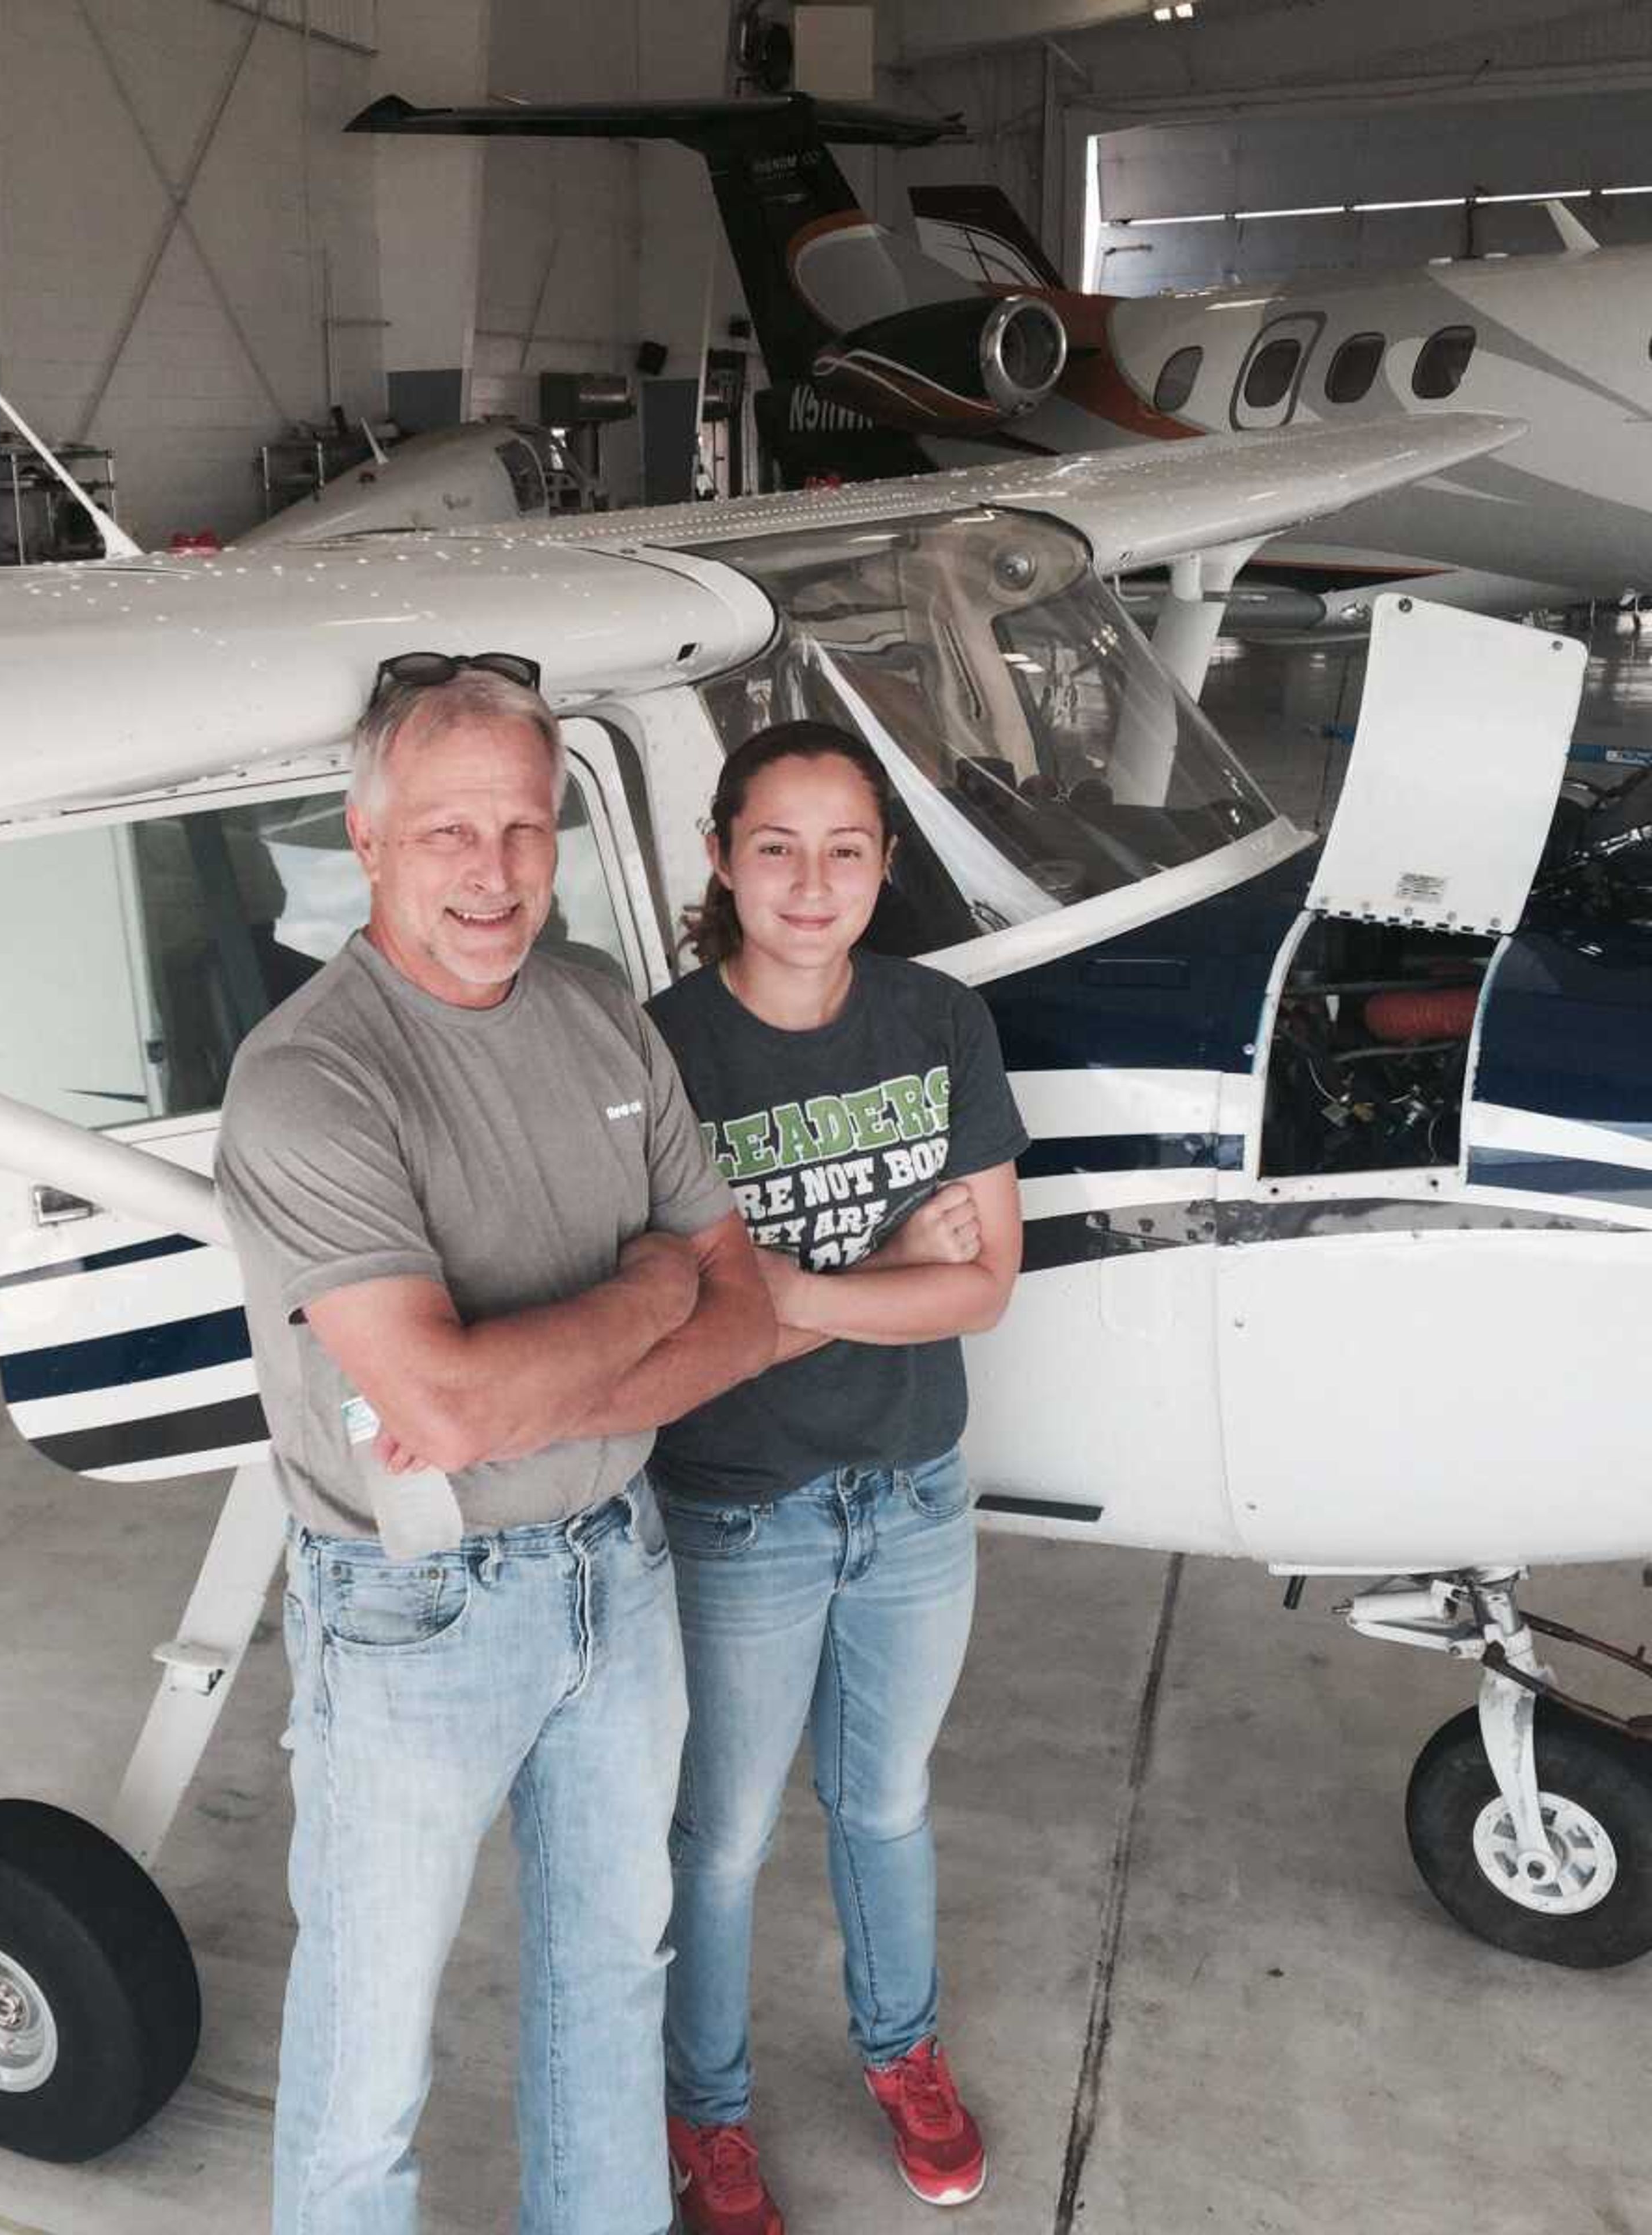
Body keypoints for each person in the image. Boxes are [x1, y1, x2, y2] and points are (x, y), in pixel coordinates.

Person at [214, 652, 775, 2235]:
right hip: (419, 1611)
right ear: (369, 839)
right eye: (449, 831)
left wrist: (567, 1379)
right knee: (367, 2054)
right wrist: (649, 1292)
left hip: (620, 1568)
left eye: (525, 829)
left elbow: (748, 1304)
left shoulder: (600, 1007)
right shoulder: (311, 1081)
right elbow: (455, 1409)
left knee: (613, 1986)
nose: (493, 872)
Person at [647, 720, 1029, 2229]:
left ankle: (903, 2053)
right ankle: (708, 2115)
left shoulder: (938, 1024)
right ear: (724, 858)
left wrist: (785, 1291)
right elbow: (679, 1319)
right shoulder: (664, 1050)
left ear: (884, 866)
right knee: (725, 1834)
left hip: (914, 1491)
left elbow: (984, 1283)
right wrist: (874, 1271)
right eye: (778, 846)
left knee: (885, 1802)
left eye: (847, 848)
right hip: (737, 1506)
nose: (813, 881)